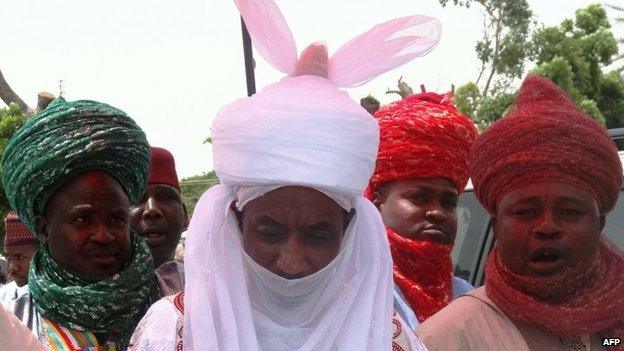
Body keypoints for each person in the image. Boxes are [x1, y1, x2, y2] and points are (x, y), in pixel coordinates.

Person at [128, 0, 442, 349]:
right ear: (236, 221)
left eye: (318, 235)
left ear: (349, 230)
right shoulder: (174, 332)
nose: (292, 261)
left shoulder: (384, 336)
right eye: (270, 232)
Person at [416, 75, 624, 351]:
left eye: (570, 212)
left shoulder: (612, 324)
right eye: (526, 212)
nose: (547, 227)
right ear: (496, 227)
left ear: (599, 224)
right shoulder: (447, 338)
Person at [1, 97, 158, 350]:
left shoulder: (172, 300)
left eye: (117, 219)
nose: (104, 235)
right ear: (43, 229)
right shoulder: (12, 317)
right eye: (84, 219)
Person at [367, 91, 477, 329]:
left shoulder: (469, 302)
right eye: (419, 198)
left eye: (449, 202)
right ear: (377, 204)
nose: (437, 213)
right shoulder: (350, 292)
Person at [131, 146, 188, 296]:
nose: (151, 210)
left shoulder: (210, 287)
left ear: (185, 216)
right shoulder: (93, 296)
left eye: (165, 198)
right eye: (137, 199)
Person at [0, 212, 38, 306]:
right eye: (8, 258)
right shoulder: (4, 298)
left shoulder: (68, 300)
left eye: (20, 257)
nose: (12, 268)